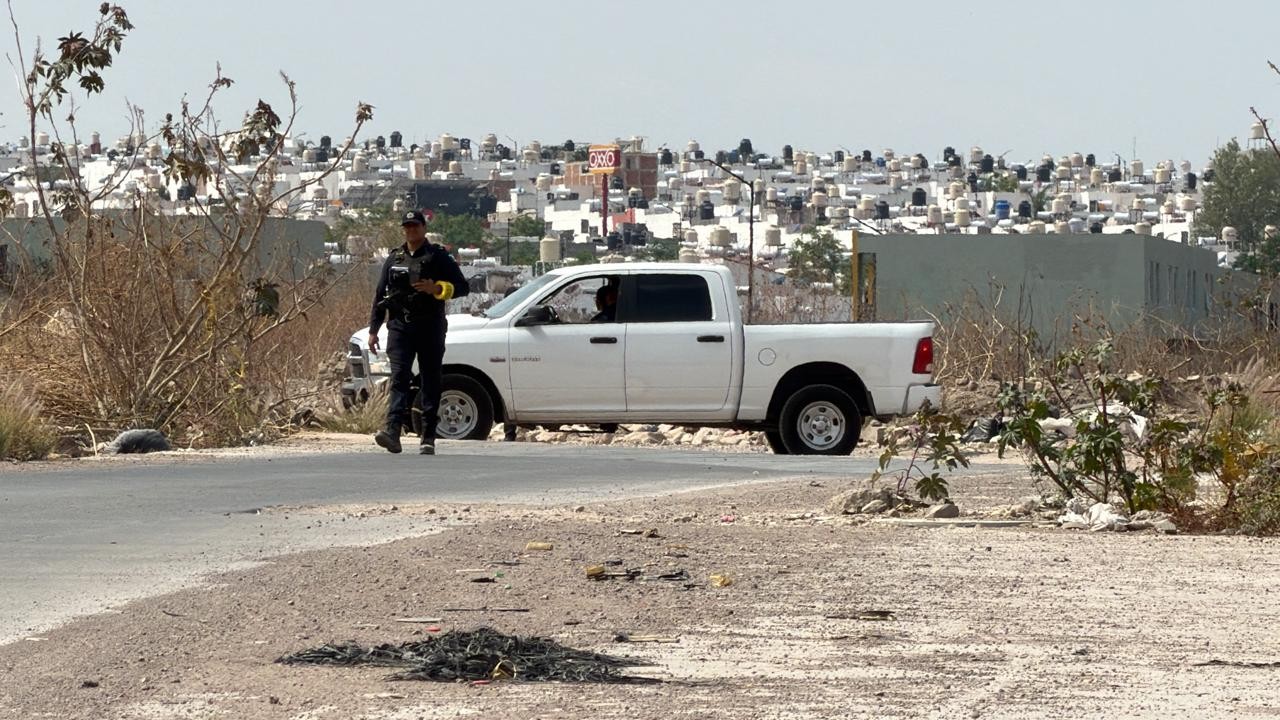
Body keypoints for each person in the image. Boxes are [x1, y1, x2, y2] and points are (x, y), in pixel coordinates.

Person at [368, 210, 469, 455]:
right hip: (400, 327)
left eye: (415, 226)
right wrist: (374, 330)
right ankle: (392, 431)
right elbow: (380, 295)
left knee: (430, 379)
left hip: (429, 326)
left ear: (424, 228)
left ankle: (428, 436)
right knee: (399, 378)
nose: (411, 230)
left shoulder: (437, 257)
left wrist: (437, 288)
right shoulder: (395, 258)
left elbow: (463, 287)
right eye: (407, 227)